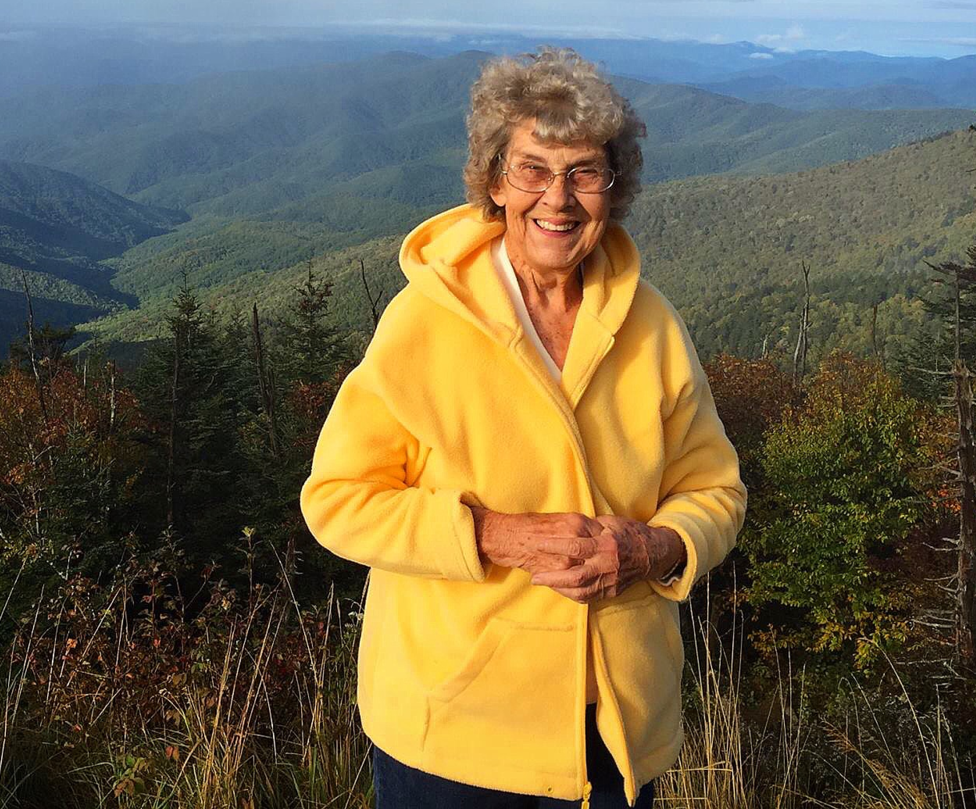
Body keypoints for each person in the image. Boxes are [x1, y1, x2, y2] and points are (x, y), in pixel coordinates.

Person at [300, 47, 746, 808]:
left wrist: (654, 547)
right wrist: (498, 536)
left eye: (585, 172)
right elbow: (337, 500)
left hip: (613, 734)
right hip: (455, 735)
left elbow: (715, 489)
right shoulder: (425, 322)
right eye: (533, 169)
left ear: (614, 187)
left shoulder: (652, 325)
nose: (559, 199)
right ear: (495, 181)